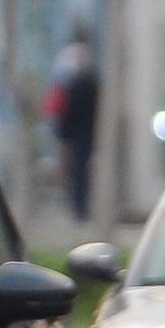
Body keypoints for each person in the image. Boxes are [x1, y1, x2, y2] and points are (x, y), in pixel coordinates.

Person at [47, 26, 100, 223]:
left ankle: (79, 208)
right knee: (78, 170)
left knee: (75, 170)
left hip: (73, 129)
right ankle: (79, 208)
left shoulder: (68, 66)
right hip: (78, 129)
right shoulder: (83, 70)